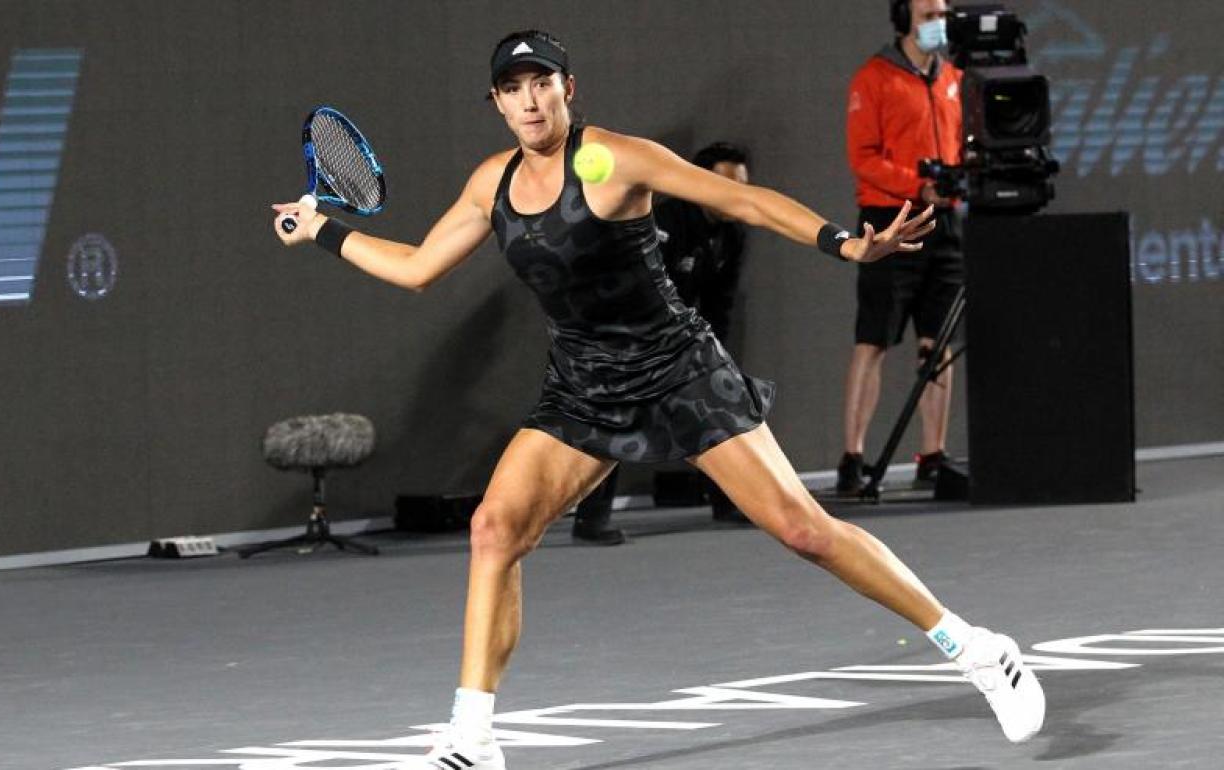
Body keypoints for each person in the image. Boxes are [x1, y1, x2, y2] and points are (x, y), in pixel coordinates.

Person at [271, 29, 1044, 769]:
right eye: (513, 90)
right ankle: (472, 739)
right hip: (583, 386)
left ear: (567, 88)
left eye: (542, 83)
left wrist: (843, 243)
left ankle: (975, 648)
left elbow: (737, 201)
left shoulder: (616, 158)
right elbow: (416, 268)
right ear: (498, 104)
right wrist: (323, 230)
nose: (531, 101)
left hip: (678, 371)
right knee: (494, 528)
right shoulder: (491, 183)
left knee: (803, 531)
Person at [571, 142, 753, 545]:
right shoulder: (665, 219)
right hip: (624, 331)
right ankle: (591, 520)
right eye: (727, 183)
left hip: (679, 337)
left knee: (723, 407)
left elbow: (720, 302)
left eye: (743, 184)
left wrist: (715, 361)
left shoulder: (733, 235)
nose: (737, 192)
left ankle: (728, 502)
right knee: (617, 421)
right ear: (701, 181)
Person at [837, 0, 966, 495]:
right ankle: (853, 456)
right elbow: (862, 157)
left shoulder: (953, 77)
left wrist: (951, 185)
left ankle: (932, 453)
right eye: (928, 14)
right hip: (889, 222)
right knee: (873, 340)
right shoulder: (874, 78)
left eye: (942, 14)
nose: (938, 23)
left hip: (945, 224)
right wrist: (917, 185)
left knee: (938, 344)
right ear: (903, 20)